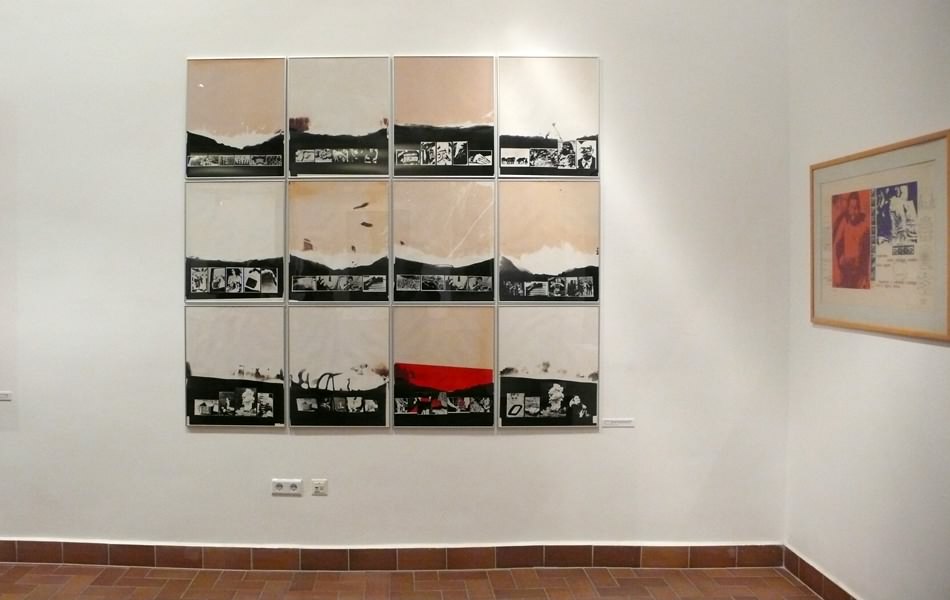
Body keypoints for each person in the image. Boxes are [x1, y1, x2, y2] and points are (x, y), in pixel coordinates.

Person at [832, 192, 870, 288]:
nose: (854, 211)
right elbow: (835, 245)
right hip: (845, 271)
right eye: (851, 208)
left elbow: (869, 251)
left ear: (859, 208)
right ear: (848, 208)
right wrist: (836, 270)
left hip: (859, 272)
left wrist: (866, 276)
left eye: (856, 208)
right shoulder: (845, 222)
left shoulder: (864, 224)